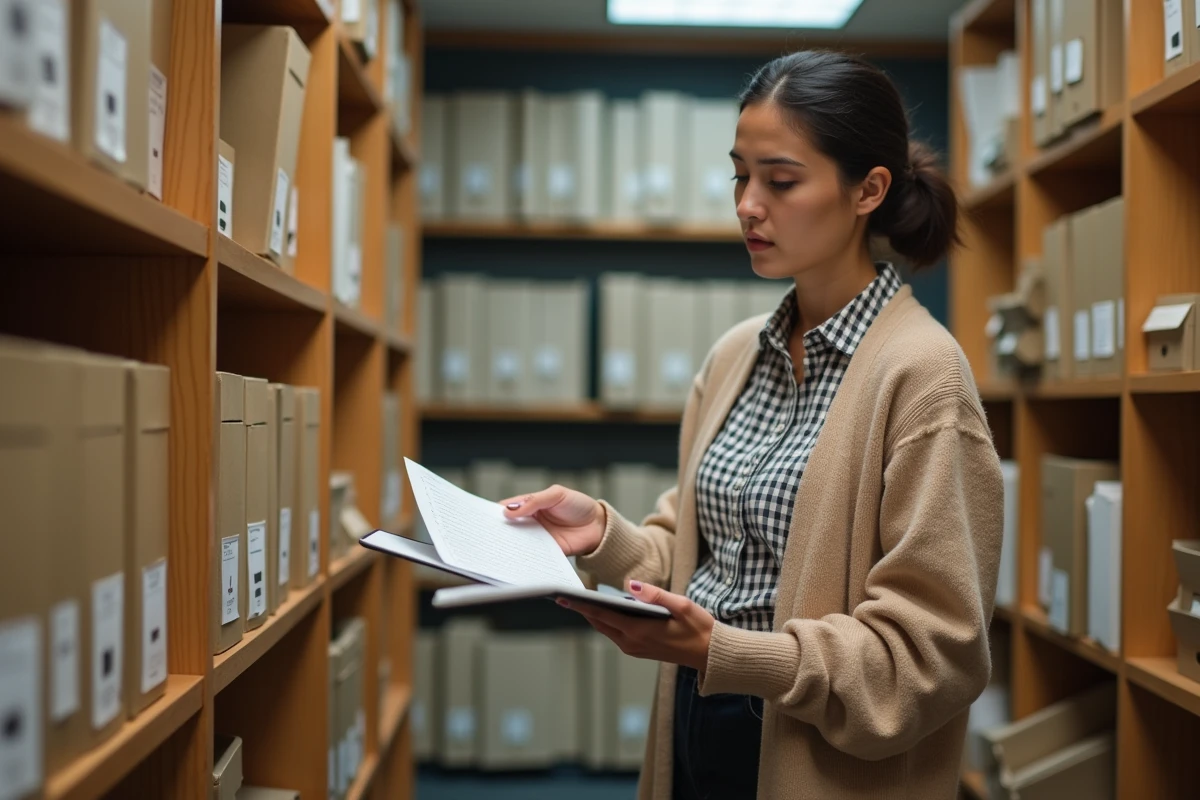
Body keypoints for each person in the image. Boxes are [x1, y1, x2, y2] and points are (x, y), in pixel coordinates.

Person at [501, 50, 1003, 800]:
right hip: (698, 718)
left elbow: (932, 655)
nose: (746, 204)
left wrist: (732, 652)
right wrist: (602, 536)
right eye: (740, 174)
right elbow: (701, 553)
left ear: (868, 189)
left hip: (815, 755)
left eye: (781, 180)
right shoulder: (737, 353)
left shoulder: (924, 377)